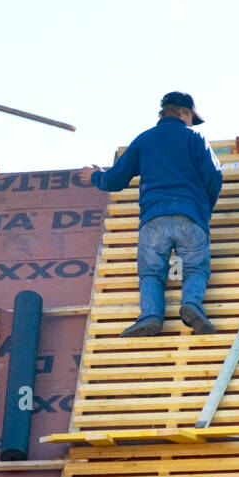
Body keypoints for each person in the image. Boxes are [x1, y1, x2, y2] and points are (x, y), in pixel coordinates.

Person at [77, 91, 224, 337]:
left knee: (151, 272)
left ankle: (151, 316)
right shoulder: (196, 138)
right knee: (195, 269)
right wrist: (203, 208)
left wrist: (96, 176)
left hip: (154, 218)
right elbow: (214, 175)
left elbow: (116, 178)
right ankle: (192, 305)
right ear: (184, 112)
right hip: (191, 216)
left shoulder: (144, 140)